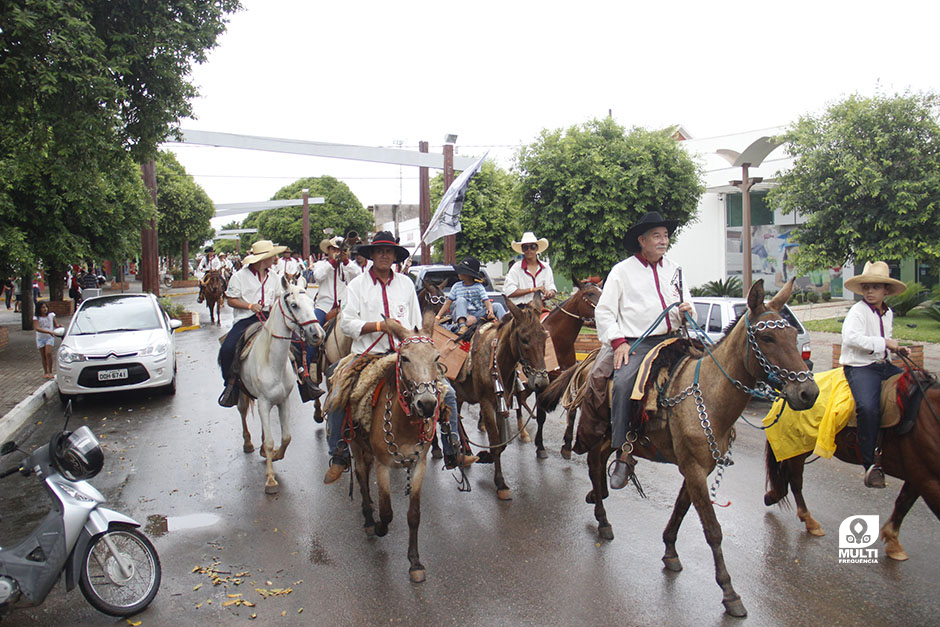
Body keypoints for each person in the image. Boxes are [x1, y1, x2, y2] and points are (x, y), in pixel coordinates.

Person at [323, 231, 475, 484]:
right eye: (380, 250)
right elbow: (347, 324)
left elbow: (416, 324)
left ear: (395, 256)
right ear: (371, 255)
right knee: (338, 393)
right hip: (368, 355)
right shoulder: (356, 285)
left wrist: (420, 349)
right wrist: (379, 326)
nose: (384, 255)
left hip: (406, 356)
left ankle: (452, 449)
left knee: (446, 393)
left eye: (389, 251)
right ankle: (338, 455)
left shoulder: (405, 284)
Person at [591, 211, 693, 490]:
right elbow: (605, 312)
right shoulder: (622, 271)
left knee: (710, 370)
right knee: (624, 383)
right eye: (657, 236)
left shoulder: (676, 269)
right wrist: (618, 342)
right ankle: (624, 452)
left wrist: (687, 310)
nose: (664, 241)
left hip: (674, 338)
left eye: (666, 236)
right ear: (642, 240)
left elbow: (687, 303)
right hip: (639, 342)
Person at [839, 261, 909, 489]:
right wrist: (884, 342)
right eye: (867, 287)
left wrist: (896, 348)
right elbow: (851, 338)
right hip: (860, 367)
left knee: (916, 387)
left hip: (883, 364)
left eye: (875, 287)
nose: (870, 291)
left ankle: (904, 444)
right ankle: (870, 464)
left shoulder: (888, 313)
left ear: (885, 291)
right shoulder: (857, 312)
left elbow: (885, 341)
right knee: (868, 408)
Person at [217, 240, 286, 406]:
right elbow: (231, 300)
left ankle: (302, 380)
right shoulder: (239, 277)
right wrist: (249, 306)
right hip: (246, 319)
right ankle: (230, 386)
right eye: (271, 256)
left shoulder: (274, 276)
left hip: (269, 317)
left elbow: (278, 296)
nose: (274, 258)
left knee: (296, 342)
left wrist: (276, 306)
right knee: (227, 349)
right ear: (263, 259)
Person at [435, 256, 506, 332]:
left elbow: (487, 301)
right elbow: (448, 303)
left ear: (467, 274)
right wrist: (438, 316)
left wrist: (490, 312)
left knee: (497, 305)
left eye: (461, 271)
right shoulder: (456, 286)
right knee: (461, 300)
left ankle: (506, 326)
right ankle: (462, 325)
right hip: (461, 314)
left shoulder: (478, 287)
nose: (458, 273)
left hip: (477, 313)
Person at [312, 236, 361, 326]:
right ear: (328, 250)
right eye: (334, 249)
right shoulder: (321, 264)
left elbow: (358, 274)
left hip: (343, 306)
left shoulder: (348, 265)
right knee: (313, 328)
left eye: (339, 250)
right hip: (324, 306)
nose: (337, 252)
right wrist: (333, 262)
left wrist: (345, 261)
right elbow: (318, 276)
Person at [503, 231, 557, 307]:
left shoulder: (546, 268)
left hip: (540, 307)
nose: (529, 250)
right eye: (525, 247)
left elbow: (551, 287)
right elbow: (509, 292)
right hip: (521, 308)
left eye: (532, 247)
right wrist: (532, 289)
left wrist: (550, 293)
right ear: (522, 250)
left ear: (537, 248)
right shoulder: (516, 268)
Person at [33, 301, 57, 379]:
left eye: (45, 307)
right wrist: (48, 331)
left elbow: (55, 324)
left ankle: (50, 371)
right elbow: (37, 328)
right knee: (43, 356)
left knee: (48, 353)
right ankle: (45, 371)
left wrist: (58, 327)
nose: (45, 309)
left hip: (49, 337)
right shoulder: (36, 318)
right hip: (40, 338)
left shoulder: (51, 315)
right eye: (43, 307)